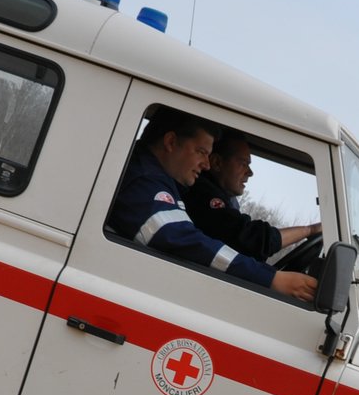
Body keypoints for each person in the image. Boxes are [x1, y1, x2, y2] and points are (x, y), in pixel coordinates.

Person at [107, 109, 317, 302]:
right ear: (170, 142)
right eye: (201, 152)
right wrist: (271, 279)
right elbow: (180, 238)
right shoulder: (143, 179)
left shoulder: (164, 182)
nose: (206, 165)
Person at [185, 131, 321, 261]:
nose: (250, 172)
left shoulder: (221, 197)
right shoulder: (202, 195)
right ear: (217, 163)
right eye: (243, 164)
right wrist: (309, 230)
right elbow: (251, 239)